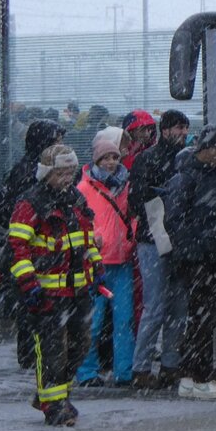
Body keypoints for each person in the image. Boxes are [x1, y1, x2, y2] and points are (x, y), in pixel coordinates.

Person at [7, 144, 104, 426]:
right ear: (48, 173)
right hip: (47, 291)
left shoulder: (75, 198)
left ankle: (53, 396)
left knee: (81, 344)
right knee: (52, 350)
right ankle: (54, 406)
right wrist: (29, 285)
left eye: (71, 172)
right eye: (62, 172)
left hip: (77, 289)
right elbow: (17, 248)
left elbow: (86, 238)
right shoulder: (30, 204)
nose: (67, 178)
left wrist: (96, 266)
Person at [164, 125, 216, 400]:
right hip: (198, 259)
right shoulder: (188, 178)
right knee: (202, 319)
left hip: (204, 257)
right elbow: (175, 220)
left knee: (199, 318)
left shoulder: (206, 175)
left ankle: (190, 376)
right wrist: (196, 249)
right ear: (206, 148)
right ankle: (199, 377)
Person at [0, 118, 67, 368]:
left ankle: (30, 353)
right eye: (56, 140)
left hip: (30, 249)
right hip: (32, 248)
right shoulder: (33, 174)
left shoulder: (25, 169)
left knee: (30, 302)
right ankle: (32, 354)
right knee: (32, 303)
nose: (60, 145)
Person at [128, 109, 190, 390]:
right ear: (165, 130)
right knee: (157, 306)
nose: (183, 133)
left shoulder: (177, 158)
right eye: (178, 128)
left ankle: (168, 365)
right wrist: (165, 228)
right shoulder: (150, 159)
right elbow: (140, 200)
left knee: (176, 306)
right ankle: (142, 368)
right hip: (155, 240)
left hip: (170, 238)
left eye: (185, 128)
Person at [73, 129, 137, 387]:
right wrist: (94, 238)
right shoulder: (83, 189)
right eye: (106, 158)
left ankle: (125, 372)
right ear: (96, 160)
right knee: (94, 322)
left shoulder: (126, 185)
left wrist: (131, 236)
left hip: (121, 262)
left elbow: (132, 215)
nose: (111, 162)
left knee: (124, 320)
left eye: (114, 157)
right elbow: (78, 221)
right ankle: (87, 373)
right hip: (95, 263)